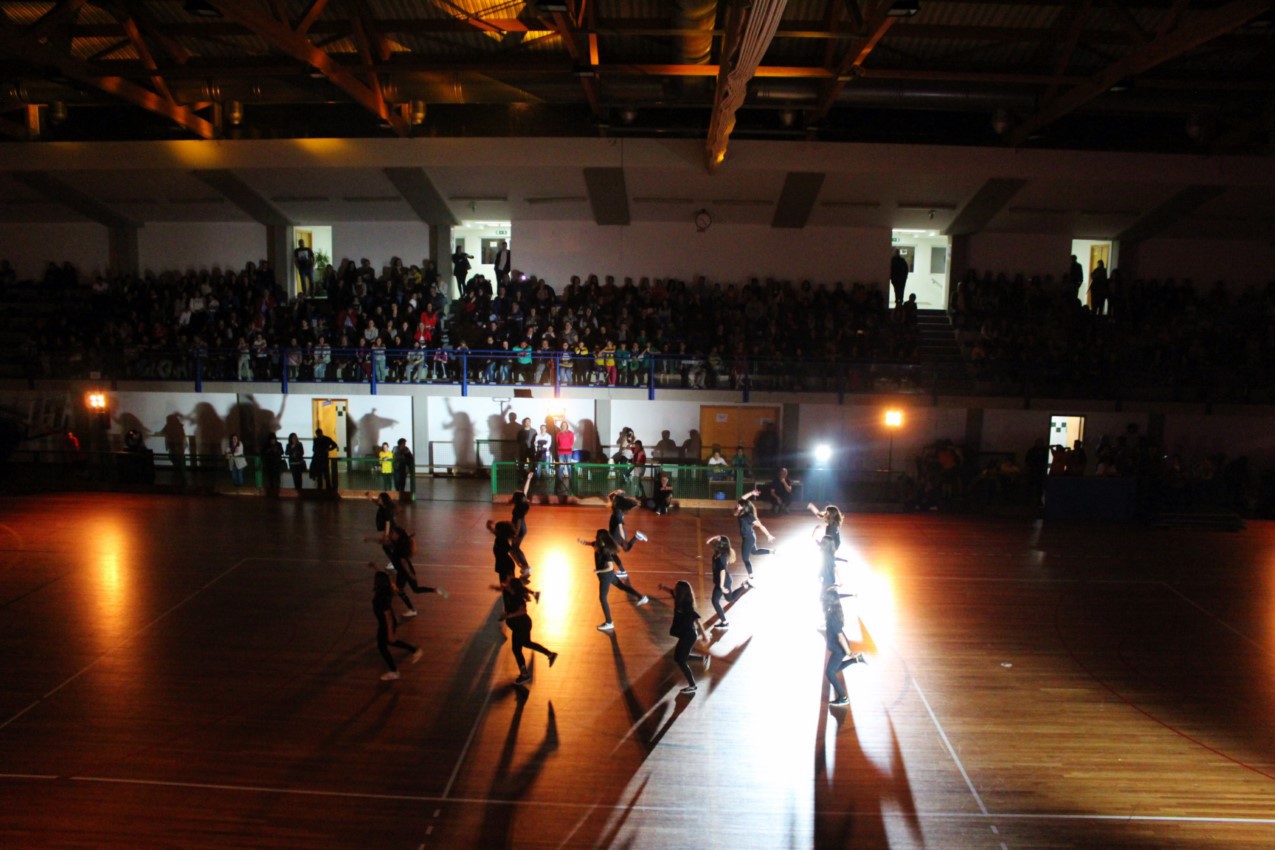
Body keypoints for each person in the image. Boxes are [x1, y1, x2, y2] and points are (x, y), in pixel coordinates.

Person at [492, 573, 556, 685]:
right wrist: (495, 587)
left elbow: (522, 611)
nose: (506, 584)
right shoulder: (507, 591)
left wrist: (507, 616)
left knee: (517, 649)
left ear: (513, 588)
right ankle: (550, 654)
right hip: (520, 625)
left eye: (508, 584)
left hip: (522, 625)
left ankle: (525, 675)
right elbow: (503, 586)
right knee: (527, 643)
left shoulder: (518, 598)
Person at [579, 529, 648, 631]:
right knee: (622, 586)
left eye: (596, 536)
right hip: (609, 575)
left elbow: (610, 566)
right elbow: (592, 544)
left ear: (601, 538)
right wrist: (584, 542)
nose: (595, 537)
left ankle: (609, 622)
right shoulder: (598, 545)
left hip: (605, 576)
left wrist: (598, 571)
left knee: (603, 598)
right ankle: (641, 597)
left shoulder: (605, 551)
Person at [656, 580, 711, 694]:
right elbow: (671, 591)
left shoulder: (687, 606)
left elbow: (697, 621)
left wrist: (704, 635)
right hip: (684, 634)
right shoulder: (678, 598)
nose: (674, 590)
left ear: (681, 592)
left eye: (676, 588)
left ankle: (692, 685)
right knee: (678, 657)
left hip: (689, 636)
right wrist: (663, 586)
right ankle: (702, 658)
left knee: (681, 661)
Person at [371, 570, 422, 682]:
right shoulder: (388, 589)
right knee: (389, 643)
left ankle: (394, 672)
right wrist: (375, 567)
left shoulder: (380, 596)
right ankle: (414, 650)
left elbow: (387, 615)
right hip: (387, 622)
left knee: (383, 646)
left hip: (386, 623)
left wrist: (390, 632)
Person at [821, 586, 864, 706]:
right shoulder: (836, 611)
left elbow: (840, 637)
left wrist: (849, 652)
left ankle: (843, 698)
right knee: (833, 669)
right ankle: (856, 660)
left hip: (839, 649)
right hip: (838, 647)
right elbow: (837, 596)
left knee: (830, 672)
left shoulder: (831, 616)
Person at [705, 535, 750, 628]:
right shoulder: (719, 552)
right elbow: (708, 542)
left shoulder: (722, 556)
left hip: (724, 581)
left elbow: (722, 572)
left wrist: (721, 587)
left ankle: (744, 586)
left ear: (721, 544)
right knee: (716, 600)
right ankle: (724, 622)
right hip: (720, 581)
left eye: (718, 540)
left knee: (727, 599)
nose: (716, 541)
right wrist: (713, 538)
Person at [735, 488, 776, 579]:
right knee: (754, 552)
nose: (738, 505)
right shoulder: (742, 511)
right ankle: (771, 551)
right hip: (750, 536)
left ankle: (751, 574)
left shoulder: (749, 516)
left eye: (739, 505)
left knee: (745, 558)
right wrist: (752, 493)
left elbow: (761, 526)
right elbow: (742, 498)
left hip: (749, 538)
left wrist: (768, 535)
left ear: (744, 507)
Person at [261, 433, 284, 498]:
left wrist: (277, 451)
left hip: (277, 464)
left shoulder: (279, 444)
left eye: (273, 439)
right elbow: (263, 453)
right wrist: (269, 450)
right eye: (271, 440)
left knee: (277, 479)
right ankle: (272, 492)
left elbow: (282, 452)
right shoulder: (266, 445)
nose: (272, 441)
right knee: (270, 479)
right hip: (269, 465)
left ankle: (277, 491)